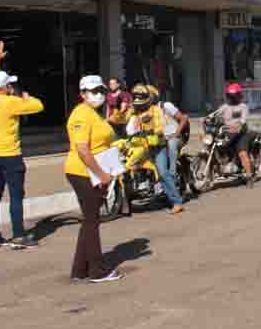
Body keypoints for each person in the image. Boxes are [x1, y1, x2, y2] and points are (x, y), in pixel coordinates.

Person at [0, 41, 44, 250]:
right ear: (6, 87)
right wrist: (25, 97)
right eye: (10, 85)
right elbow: (38, 106)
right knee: (15, 196)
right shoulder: (12, 102)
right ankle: (18, 235)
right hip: (11, 156)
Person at [64, 75, 122, 283]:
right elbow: (82, 150)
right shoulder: (81, 115)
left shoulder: (94, 114)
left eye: (101, 90)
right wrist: (102, 174)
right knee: (92, 221)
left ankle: (79, 270)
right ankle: (97, 271)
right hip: (83, 172)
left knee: (90, 220)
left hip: (93, 173)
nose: (98, 94)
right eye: (93, 91)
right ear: (82, 94)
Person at [126, 84, 185, 214]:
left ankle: (177, 202)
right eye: (136, 97)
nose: (138, 101)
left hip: (158, 145)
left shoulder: (156, 110)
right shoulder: (134, 110)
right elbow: (128, 124)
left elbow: (159, 128)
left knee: (163, 172)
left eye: (141, 97)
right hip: (140, 146)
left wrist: (149, 131)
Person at [217, 83, 255, 188]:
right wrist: (207, 118)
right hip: (227, 133)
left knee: (242, 154)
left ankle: (249, 176)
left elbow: (242, 121)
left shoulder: (243, 107)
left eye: (234, 96)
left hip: (241, 134)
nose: (232, 98)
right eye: (230, 96)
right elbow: (215, 114)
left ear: (239, 96)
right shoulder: (224, 107)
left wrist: (238, 126)